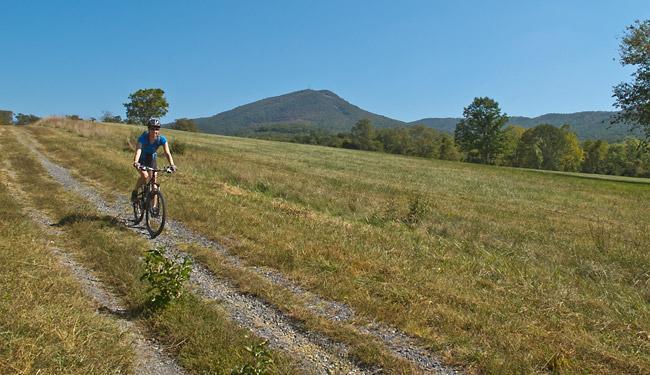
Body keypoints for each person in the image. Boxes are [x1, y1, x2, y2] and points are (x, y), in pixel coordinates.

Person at [131, 118, 176, 201]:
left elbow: (167, 153)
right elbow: (138, 150)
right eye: (152, 128)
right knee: (145, 176)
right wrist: (136, 162)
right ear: (148, 129)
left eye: (157, 129)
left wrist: (172, 164)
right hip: (141, 159)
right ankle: (135, 191)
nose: (154, 131)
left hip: (152, 159)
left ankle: (154, 209)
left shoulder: (161, 139)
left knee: (154, 185)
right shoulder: (143, 138)